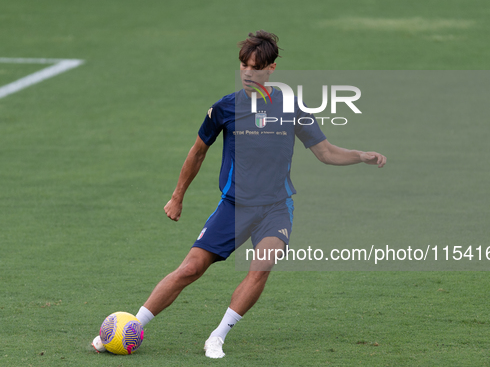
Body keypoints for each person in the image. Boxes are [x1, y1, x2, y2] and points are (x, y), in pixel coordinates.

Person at [92, 30, 386, 358]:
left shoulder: (290, 108)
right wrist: (177, 196)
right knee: (190, 269)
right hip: (234, 207)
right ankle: (131, 326)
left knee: (261, 266)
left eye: (255, 67)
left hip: (275, 207)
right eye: (243, 65)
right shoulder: (225, 108)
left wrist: (360, 155)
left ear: (271, 68)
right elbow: (197, 152)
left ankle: (217, 336)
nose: (247, 72)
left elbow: (325, 152)